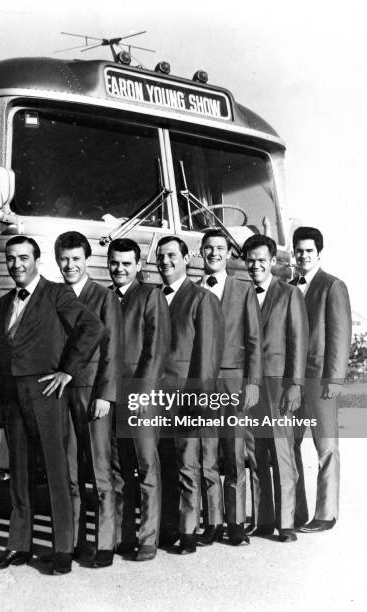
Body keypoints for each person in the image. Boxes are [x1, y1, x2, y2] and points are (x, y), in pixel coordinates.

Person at [0, 235, 103, 575]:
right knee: (18, 474)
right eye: (10, 258)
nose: (16, 264)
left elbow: (92, 328)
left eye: (23, 257)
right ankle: (18, 547)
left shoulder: (56, 293)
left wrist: (67, 370)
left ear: (36, 260)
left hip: (45, 393)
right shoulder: (6, 301)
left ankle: (63, 550)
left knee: (55, 472)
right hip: (11, 398)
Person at [54, 231, 124, 569]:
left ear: (87, 261)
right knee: (69, 472)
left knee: (99, 471)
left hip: (93, 393)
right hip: (60, 394)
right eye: (64, 259)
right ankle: (72, 544)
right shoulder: (52, 296)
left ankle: (106, 543)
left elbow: (112, 351)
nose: (70, 265)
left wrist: (106, 396)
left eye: (76, 259)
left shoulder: (104, 298)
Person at [156, 235, 224, 554]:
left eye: (172, 255)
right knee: (163, 464)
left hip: (186, 396)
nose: (165, 261)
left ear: (186, 258)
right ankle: (167, 527)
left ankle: (188, 532)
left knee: (187, 466)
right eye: (160, 256)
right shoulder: (153, 296)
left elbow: (207, 356)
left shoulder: (202, 298)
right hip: (155, 398)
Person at [197, 229, 262, 546]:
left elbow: (254, 342)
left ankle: (236, 523)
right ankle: (212, 522)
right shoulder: (193, 290)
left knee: (236, 453)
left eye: (219, 248)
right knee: (206, 453)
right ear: (201, 253)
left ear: (228, 253)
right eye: (208, 248)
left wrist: (252, 383)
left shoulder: (243, 289)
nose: (213, 253)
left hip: (235, 380)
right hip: (202, 382)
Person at [242, 234, 308, 542]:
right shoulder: (240, 294)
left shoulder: (289, 294)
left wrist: (295, 384)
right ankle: (263, 519)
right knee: (256, 454)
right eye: (250, 260)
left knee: (282, 453)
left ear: (272, 262)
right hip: (249, 385)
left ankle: (286, 523)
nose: (255, 265)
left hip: (278, 385)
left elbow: (298, 343)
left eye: (261, 260)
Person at [108, 237, 171, 561]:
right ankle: (123, 536)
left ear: (138, 266)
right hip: (111, 395)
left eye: (126, 264)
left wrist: (143, 394)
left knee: (147, 467)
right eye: (115, 263)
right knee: (119, 470)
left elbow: (156, 348)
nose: (119, 269)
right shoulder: (105, 298)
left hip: (142, 396)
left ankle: (148, 539)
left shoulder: (150, 296)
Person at [291, 227, 351, 532]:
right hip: (293, 383)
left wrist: (335, 380)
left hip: (320, 380)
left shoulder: (332, 286)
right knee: (290, 446)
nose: (303, 256)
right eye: (299, 251)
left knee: (326, 447)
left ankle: (326, 515)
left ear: (319, 253)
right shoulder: (288, 286)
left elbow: (340, 335)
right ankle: (296, 512)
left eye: (309, 251)